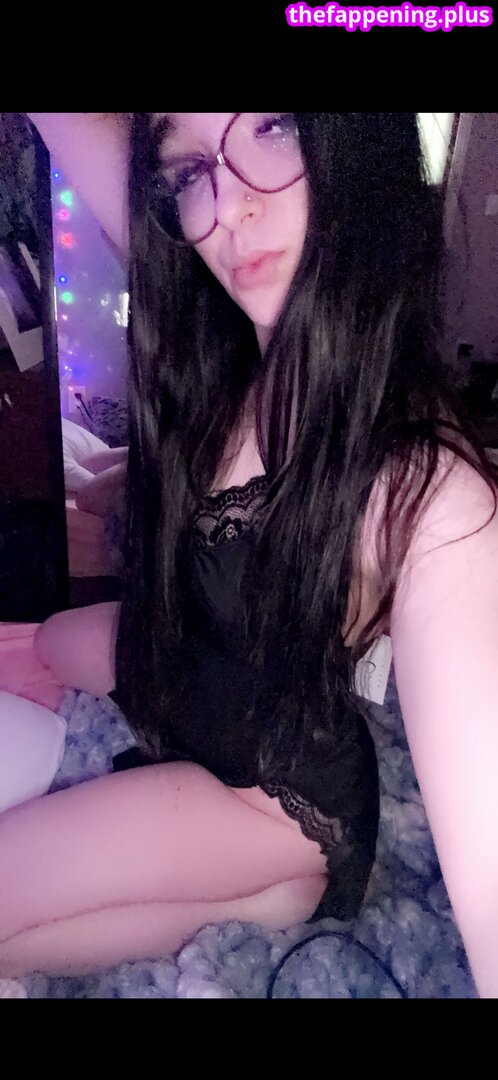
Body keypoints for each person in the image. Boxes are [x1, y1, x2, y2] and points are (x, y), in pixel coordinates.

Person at [0, 112, 497, 996]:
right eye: (191, 169)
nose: (229, 205)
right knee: (48, 642)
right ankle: (270, 897)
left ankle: (284, 875)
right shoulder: (222, 330)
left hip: (273, 797)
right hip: (187, 670)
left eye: (271, 127)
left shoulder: (428, 491)